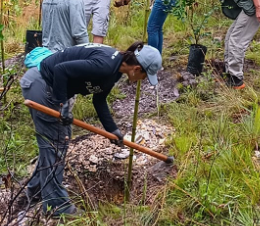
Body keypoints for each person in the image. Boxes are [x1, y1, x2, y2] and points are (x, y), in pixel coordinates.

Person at [19, 42, 162, 218]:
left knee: (58, 141)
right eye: (145, 76)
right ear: (137, 68)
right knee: (56, 143)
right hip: (41, 85)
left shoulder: (115, 70)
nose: (143, 80)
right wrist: (62, 104)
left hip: (45, 85)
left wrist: (113, 130)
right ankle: (56, 206)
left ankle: (36, 190)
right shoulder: (106, 66)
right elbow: (60, 70)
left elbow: (99, 100)